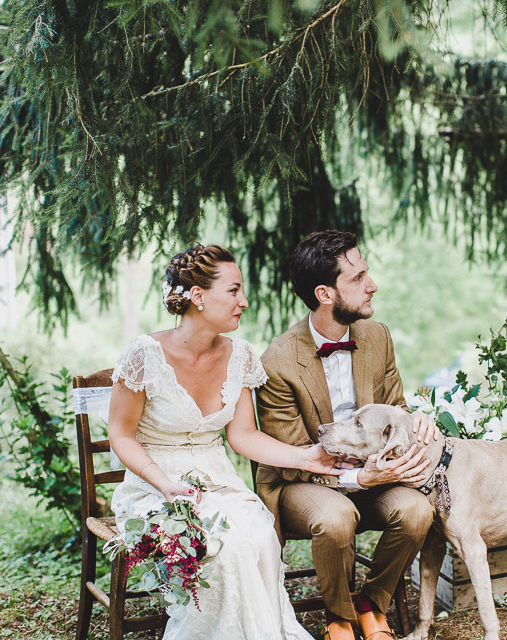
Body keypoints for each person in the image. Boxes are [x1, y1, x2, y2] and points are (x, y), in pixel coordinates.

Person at [108, 243, 342, 640]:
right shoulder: (144, 354)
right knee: (224, 548)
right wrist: (164, 484)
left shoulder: (240, 355)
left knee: (259, 536)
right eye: (233, 290)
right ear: (197, 296)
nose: (244, 301)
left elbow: (243, 436)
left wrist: (307, 457)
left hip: (217, 481)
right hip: (153, 486)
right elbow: (121, 434)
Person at [255, 230, 439, 640]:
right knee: (338, 516)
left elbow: (396, 410)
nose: (372, 285)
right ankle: (338, 618)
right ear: (325, 293)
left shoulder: (377, 337)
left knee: (416, 511)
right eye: (357, 279)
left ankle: (371, 603)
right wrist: (358, 478)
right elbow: (292, 458)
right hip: (301, 480)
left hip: (372, 472)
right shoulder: (278, 360)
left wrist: (417, 423)